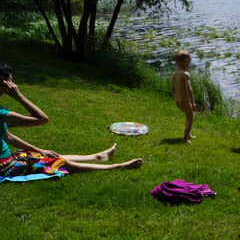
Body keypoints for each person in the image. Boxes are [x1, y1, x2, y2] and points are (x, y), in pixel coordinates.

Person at [0, 62, 142, 180]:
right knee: (59, 163)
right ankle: (118, 167)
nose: (14, 85)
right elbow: (42, 119)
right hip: (4, 165)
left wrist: (40, 150)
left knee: (45, 155)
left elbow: (8, 136)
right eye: (11, 81)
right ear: (3, 82)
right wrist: (18, 96)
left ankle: (98, 156)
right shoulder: (1, 113)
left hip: (7, 158)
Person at [171, 50, 196, 143]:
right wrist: (192, 102)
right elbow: (189, 89)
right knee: (190, 118)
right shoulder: (185, 74)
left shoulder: (174, 73)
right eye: (189, 63)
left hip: (178, 100)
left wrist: (175, 97)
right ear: (186, 61)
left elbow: (173, 88)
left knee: (187, 115)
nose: (189, 65)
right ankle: (185, 139)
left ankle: (188, 134)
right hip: (184, 100)